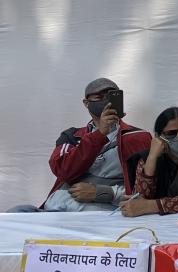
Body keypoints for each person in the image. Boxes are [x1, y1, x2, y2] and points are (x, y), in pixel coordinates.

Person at [37, 78, 151, 212]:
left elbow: (148, 187)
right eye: (100, 97)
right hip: (59, 207)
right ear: (86, 103)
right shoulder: (71, 136)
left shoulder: (138, 137)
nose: (106, 101)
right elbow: (63, 171)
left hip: (109, 211)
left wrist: (102, 192)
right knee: (20, 210)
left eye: (111, 96)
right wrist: (99, 135)